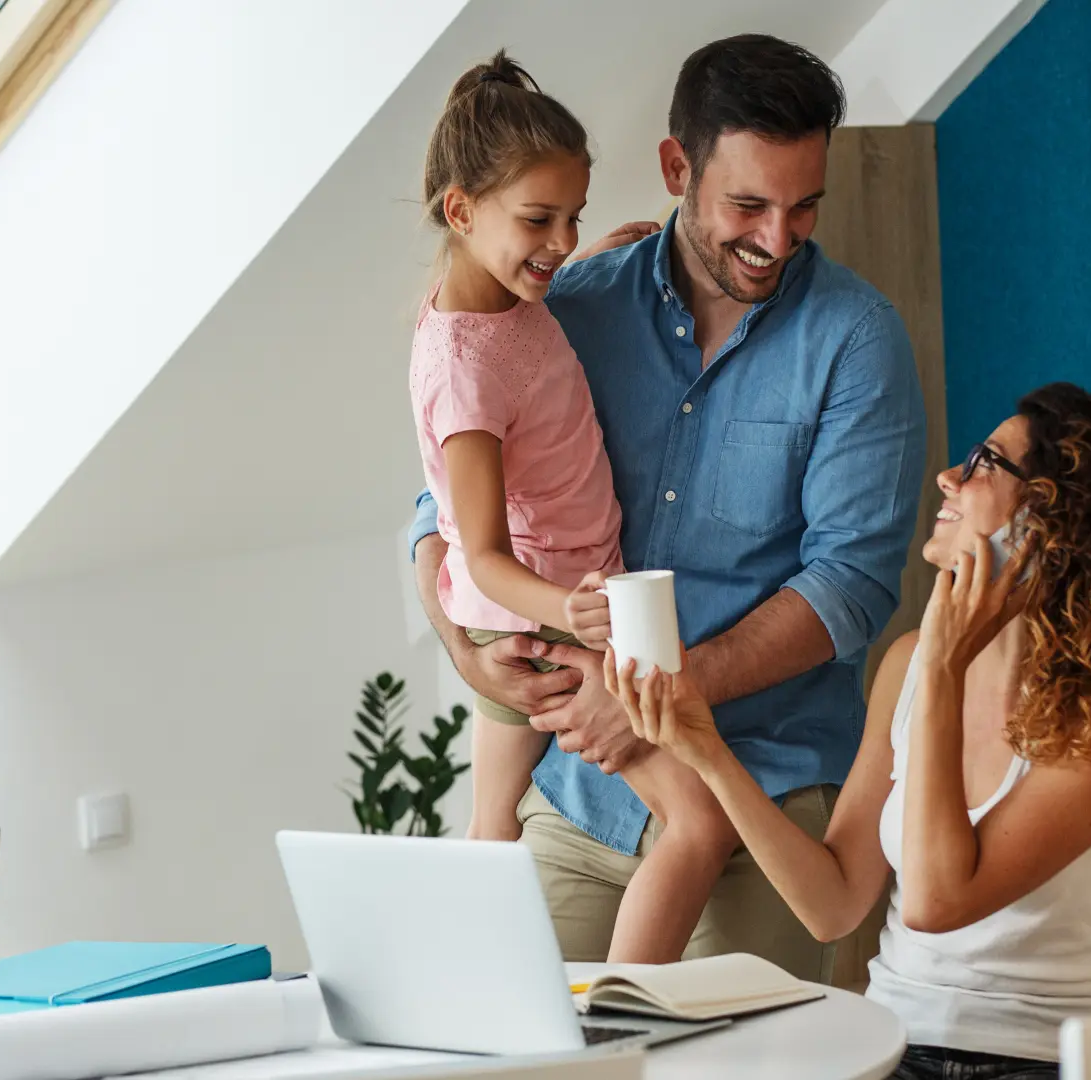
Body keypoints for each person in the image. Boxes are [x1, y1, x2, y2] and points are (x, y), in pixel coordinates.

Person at [409, 33, 927, 979]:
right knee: (490, 1028)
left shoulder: (858, 342)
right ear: (676, 167)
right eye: (747, 204)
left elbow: (850, 589)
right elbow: (444, 501)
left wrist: (663, 692)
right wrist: (469, 655)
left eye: (803, 206)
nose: (778, 239)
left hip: (762, 793)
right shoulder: (571, 304)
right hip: (583, 792)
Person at [608, 383, 1091, 1078]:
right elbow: (833, 904)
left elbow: (936, 902)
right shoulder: (910, 665)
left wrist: (944, 664)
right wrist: (708, 753)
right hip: (892, 1047)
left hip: (1048, 1061)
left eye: (986, 463)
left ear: (1056, 521)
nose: (949, 477)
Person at [407, 50, 737, 964]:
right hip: (539, 616)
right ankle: (618, 1030)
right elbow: (473, 552)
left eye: (571, 217)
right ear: (461, 210)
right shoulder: (464, 375)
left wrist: (586, 261)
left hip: (548, 603)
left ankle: (477, 1005)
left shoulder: (497, 301)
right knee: (696, 826)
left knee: (494, 830)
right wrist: (572, 618)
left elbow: (520, 349)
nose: (557, 240)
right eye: (537, 220)